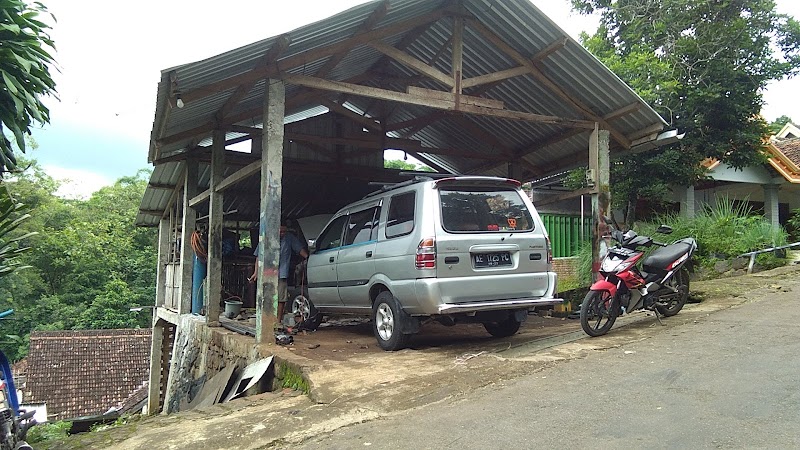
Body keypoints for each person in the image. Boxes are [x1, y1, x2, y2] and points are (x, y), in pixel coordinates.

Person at [249, 224, 309, 322]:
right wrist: (256, 272)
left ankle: (278, 320)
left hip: (282, 272)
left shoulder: (289, 238)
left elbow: (299, 249)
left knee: (281, 297)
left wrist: (307, 257)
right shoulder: (266, 238)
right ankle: (265, 318)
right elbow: (258, 256)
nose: (282, 234)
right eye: (280, 232)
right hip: (268, 272)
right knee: (266, 296)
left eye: (284, 232)